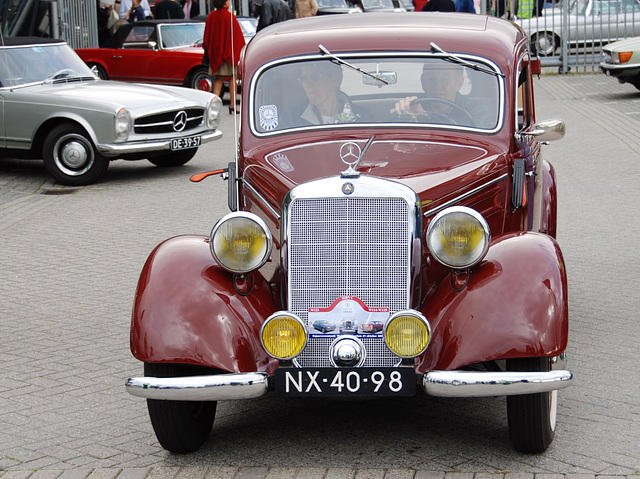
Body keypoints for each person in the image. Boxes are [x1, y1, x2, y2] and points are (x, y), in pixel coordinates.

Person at [281, 62, 367, 127]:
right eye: (304, 78)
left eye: (315, 77)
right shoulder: (290, 119)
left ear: (335, 80)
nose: (308, 83)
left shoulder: (362, 118)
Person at [390, 63, 478, 126]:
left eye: (445, 79)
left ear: (458, 83)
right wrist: (404, 113)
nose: (437, 86)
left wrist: (424, 117)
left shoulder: (475, 111)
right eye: (431, 79)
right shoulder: (414, 106)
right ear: (423, 82)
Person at [203, 0, 246, 113]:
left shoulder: (211, 16)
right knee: (233, 78)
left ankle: (213, 105)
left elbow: (206, 38)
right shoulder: (230, 17)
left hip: (216, 54)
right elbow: (237, 37)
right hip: (229, 53)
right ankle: (232, 104)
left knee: (218, 79)